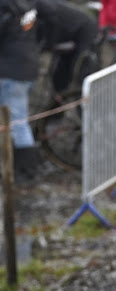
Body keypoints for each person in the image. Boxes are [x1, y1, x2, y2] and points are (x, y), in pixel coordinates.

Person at [0, 0, 56, 183]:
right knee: (18, 119)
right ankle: (22, 163)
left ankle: (27, 170)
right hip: (29, 67)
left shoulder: (6, 9)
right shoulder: (27, 6)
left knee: (17, 122)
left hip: (11, 71)